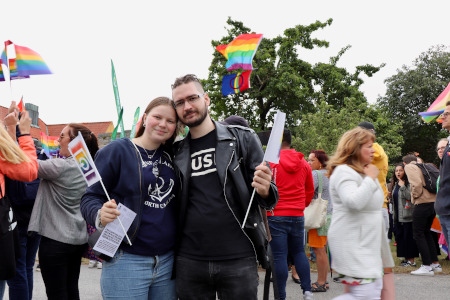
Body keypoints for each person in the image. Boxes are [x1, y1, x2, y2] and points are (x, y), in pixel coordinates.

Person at [171, 74, 278, 300]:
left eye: (192, 98)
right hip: (189, 260)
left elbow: (268, 198)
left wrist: (265, 189)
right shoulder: (175, 151)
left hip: (238, 258)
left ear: (207, 99)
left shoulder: (242, 138)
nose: (187, 106)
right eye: (180, 103)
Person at [81, 97, 179, 299]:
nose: (163, 124)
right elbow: (89, 197)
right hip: (126, 259)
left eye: (170, 121)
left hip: (168, 261)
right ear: (144, 119)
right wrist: (100, 214)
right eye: (157, 117)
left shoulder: (174, 155)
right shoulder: (117, 151)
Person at [28, 123, 99, 299]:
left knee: (56, 293)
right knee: (71, 289)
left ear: (74, 142)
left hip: (55, 241)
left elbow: (27, 163)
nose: (57, 141)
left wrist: (22, 134)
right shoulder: (89, 168)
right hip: (77, 239)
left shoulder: (61, 167)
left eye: (61, 136)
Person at [327, 127, 394, 300]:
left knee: (372, 290)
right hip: (354, 243)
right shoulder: (344, 172)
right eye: (369, 146)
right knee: (367, 294)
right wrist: (371, 179)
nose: (373, 150)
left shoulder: (362, 172)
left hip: (366, 243)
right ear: (355, 148)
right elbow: (353, 202)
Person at [265, 129, 314, 300]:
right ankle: (307, 291)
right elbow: (309, 190)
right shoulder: (304, 164)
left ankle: (281, 296)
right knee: (299, 252)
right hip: (297, 214)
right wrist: (301, 206)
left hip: (276, 214)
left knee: (279, 256)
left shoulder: (271, 163)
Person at [0, 105, 38, 298]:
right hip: (13, 222)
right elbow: (29, 171)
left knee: (23, 269)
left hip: (19, 221)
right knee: (21, 270)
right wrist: (23, 133)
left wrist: (9, 131)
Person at [402, 154, 441, 276]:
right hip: (433, 203)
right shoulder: (424, 166)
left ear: (405, 163)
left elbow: (417, 184)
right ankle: (435, 264)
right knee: (426, 233)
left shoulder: (409, 167)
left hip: (422, 203)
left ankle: (426, 266)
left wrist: (414, 197)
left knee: (418, 234)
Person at [307, 149, 331, 293]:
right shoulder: (329, 175)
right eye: (308, 159)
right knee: (322, 249)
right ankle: (324, 280)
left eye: (312, 160)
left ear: (320, 163)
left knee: (319, 249)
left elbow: (307, 192)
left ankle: (321, 282)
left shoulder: (315, 174)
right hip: (328, 215)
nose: (308, 163)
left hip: (318, 217)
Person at [389, 163, 419, 267]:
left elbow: (410, 197)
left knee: (409, 238)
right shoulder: (395, 184)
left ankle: (412, 261)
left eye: (400, 170)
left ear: (405, 172)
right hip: (398, 216)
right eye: (396, 171)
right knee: (401, 238)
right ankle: (406, 259)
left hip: (408, 216)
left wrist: (402, 187)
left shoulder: (408, 183)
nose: (398, 172)